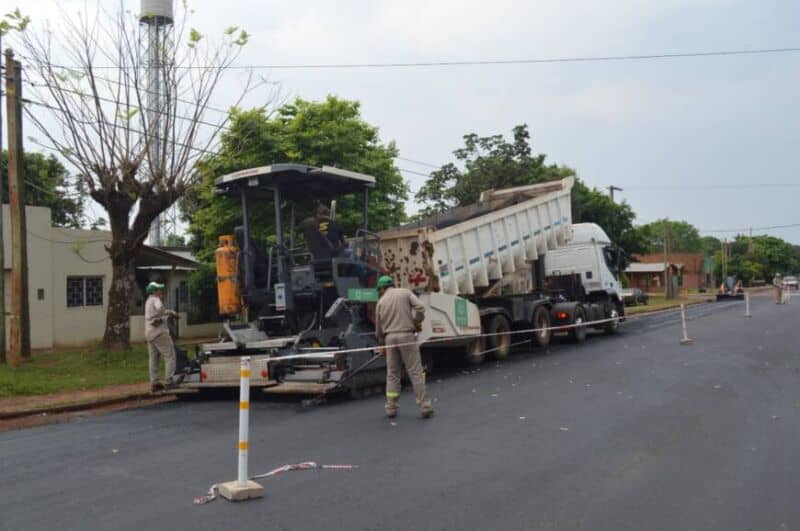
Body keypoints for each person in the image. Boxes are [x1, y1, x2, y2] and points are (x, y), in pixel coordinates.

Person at [375, 275, 433, 419]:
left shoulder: (381, 302)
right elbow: (420, 307)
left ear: (382, 289)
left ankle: (391, 407)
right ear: (392, 284)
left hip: (389, 338)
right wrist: (416, 321)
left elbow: (378, 329)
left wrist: (382, 343)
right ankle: (425, 406)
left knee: (392, 373)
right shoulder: (405, 293)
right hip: (406, 335)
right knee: (415, 372)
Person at [144, 281, 183, 392]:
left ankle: (154, 383)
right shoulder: (156, 300)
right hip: (159, 333)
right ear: (154, 291)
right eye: (158, 289)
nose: (160, 291)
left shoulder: (148, 301)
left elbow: (159, 313)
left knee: (153, 358)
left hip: (149, 333)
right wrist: (166, 314)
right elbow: (160, 309)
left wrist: (170, 312)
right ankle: (169, 381)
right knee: (170, 356)